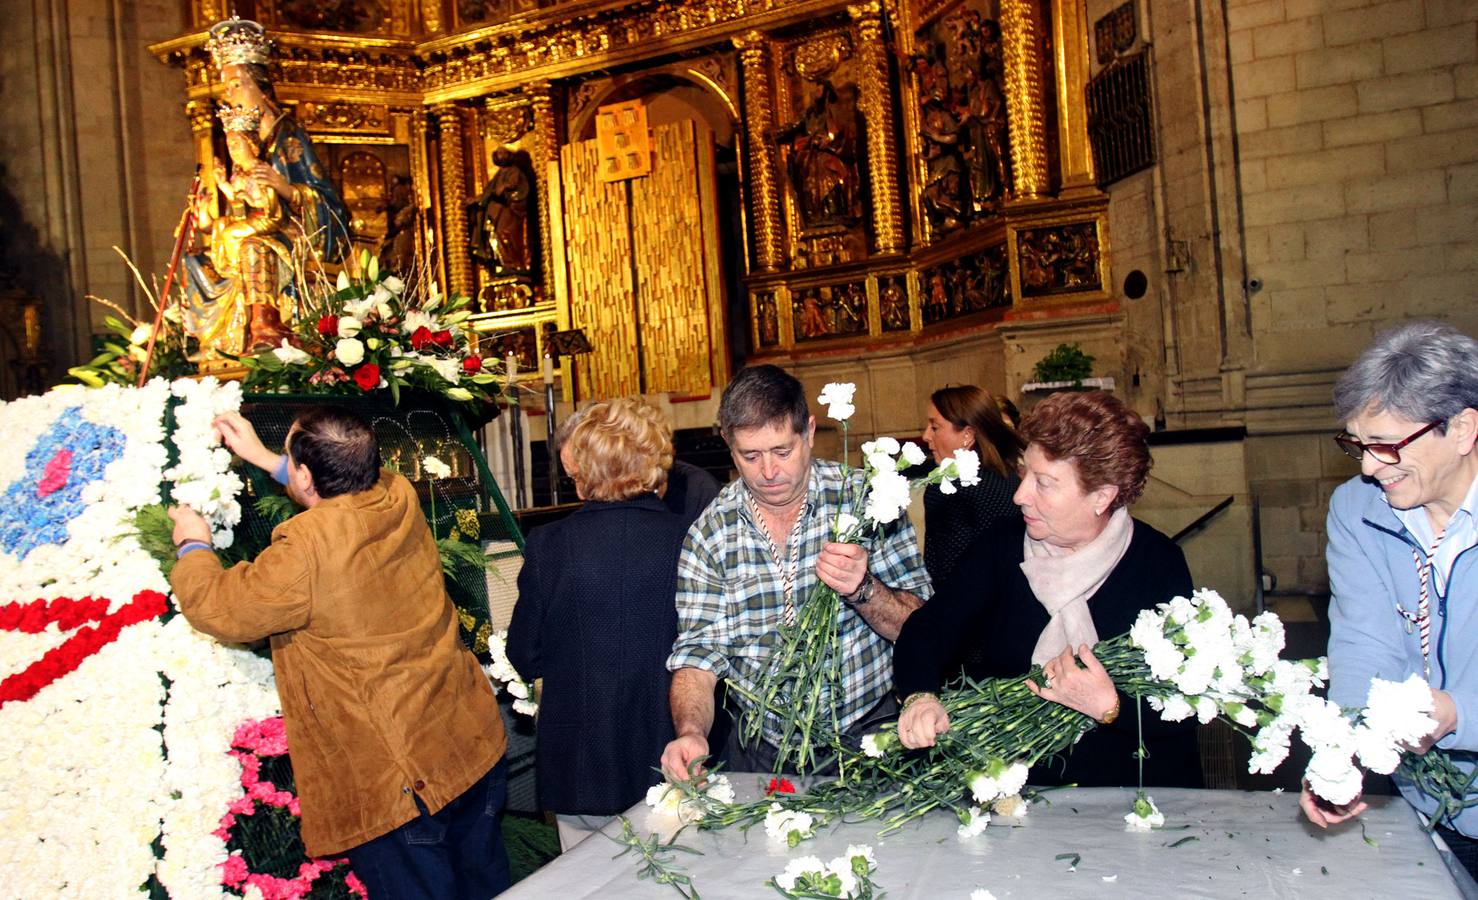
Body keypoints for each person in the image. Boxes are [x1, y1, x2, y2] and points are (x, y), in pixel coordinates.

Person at [167, 407, 509, 898]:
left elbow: (223, 609)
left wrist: (194, 547)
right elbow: (342, 486)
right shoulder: (397, 493)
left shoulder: (307, 545)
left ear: (306, 475)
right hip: (467, 745)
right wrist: (266, 459)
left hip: (403, 781)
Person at [894, 390, 1202, 789]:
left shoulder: (1158, 563)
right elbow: (927, 631)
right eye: (1024, 475)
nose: (1020, 495)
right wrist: (921, 697)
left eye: (1044, 483)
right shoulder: (1002, 546)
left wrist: (1110, 707)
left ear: (1102, 495)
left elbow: (1189, 702)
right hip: (1017, 787)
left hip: (1130, 792)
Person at [661, 365, 932, 777]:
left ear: (808, 431)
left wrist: (864, 589)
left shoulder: (866, 500)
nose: (768, 472)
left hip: (872, 736)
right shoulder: (711, 533)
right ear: (727, 444)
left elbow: (920, 628)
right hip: (763, 747)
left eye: (782, 451)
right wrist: (692, 731)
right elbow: (699, 654)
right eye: (750, 456)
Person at [1302, 320, 1478, 877]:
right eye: (1358, 444)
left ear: (1463, 430)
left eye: (1386, 445)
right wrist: (1342, 757)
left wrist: (1459, 713)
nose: (1368, 466)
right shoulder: (1357, 510)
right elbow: (1363, 643)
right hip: (1424, 808)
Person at [507, 398, 688, 851]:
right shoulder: (689, 538)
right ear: (654, 462)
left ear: (581, 468)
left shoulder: (549, 544)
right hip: (670, 756)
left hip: (580, 762)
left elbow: (524, 657)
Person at [184, 17, 350, 358]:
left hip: (294, 232)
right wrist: (207, 216)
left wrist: (285, 188)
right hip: (258, 228)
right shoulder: (241, 142)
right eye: (226, 88)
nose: (230, 96)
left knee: (253, 248)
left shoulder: (289, 135)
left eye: (236, 85)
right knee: (198, 260)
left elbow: (328, 201)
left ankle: (266, 326)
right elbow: (239, 204)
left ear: (259, 85)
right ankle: (213, 347)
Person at [920, 385, 1026, 585]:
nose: (926, 436)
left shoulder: (947, 489)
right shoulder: (1009, 476)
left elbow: (947, 578)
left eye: (935, 427)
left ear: (968, 435)